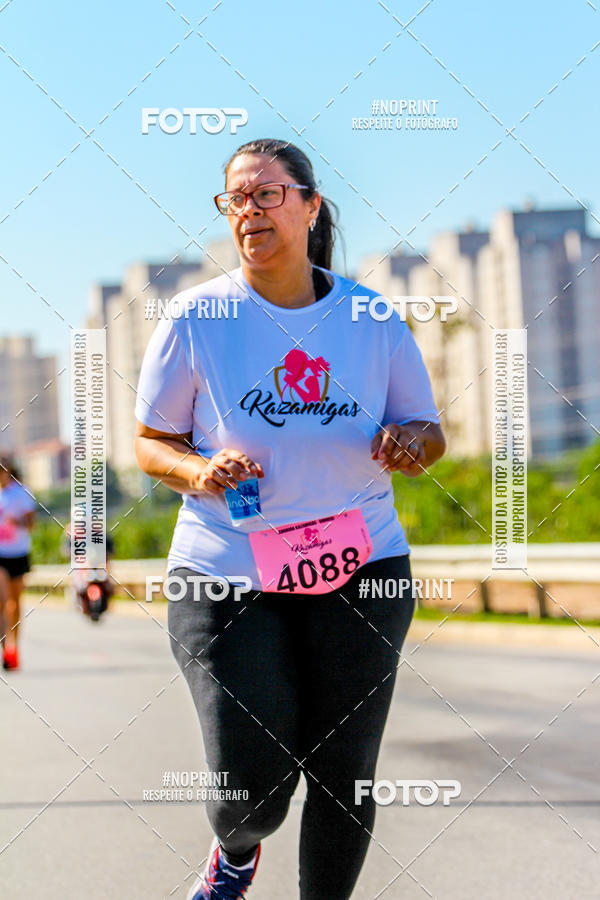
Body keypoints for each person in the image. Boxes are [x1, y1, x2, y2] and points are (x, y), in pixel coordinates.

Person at [134, 138, 446, 900]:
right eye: (234, 198)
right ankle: (235, 853)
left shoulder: (370, 318)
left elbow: (427, 429)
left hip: (362, 566)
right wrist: (199, 470)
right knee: (252, 793)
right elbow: (149, 441)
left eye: (266, 194)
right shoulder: (197, 317)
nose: (248, 210)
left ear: (311, 206)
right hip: (226, 574)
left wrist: (412, 445)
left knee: (345, 777)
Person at [0, 456, 37, 671]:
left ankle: (14, 647)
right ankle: (5, 644)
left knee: (14, 604)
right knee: (3, 600)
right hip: (0, 555)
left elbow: (31, 524)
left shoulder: (21, 493)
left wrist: (18, 522)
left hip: (19, 553)